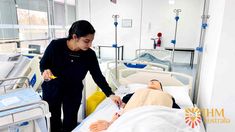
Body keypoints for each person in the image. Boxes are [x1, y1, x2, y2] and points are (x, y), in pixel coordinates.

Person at [40, 20, 121, 132]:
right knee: (53, 121)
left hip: (73, 90)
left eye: (91, 41)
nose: (90, 45)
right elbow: (44, 63)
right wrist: (45, 70)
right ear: (75, 37)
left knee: (70, 121)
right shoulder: (56, 46)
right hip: (53, 88)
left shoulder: (89, 55)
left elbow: (97, 76)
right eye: (86, 41)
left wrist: (110, 94)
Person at [89, 79, 180, 132]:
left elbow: (178, 114)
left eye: (155, 82)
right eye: (150, 81)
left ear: (161, 87)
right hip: (131, 118)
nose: (152, 82)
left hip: (154, 119)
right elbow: (123, 105)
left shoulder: (167, 96)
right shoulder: (137, 92)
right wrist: (111, 123)